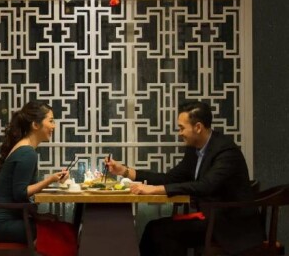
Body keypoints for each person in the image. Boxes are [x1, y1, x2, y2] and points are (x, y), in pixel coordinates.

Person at [105, 101, 263, 256]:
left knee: (163, 232)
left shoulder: (225, 150)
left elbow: (205, 186)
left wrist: (154, 190)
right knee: (153, 228)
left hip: (231, 226)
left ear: (198, 127)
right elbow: (171, 178)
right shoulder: (194, 150)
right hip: (211, 218)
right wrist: (125, 171)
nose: (179, 133)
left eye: (181, 128)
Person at [0, 101, 76, 255]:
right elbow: (20, 193)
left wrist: (38, 215)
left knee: (57, 226)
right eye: (51, 121)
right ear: (35, 125)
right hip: (1, 226)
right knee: (61, 232)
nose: (54, 126)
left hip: (1, 223)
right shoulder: (27, 152)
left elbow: (20, 194)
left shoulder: (24, 148)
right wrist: (50, 180)